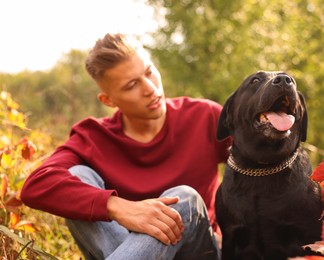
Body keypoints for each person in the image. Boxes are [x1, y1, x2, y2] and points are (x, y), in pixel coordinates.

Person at [20, 33, 231, 260]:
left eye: (149, 72)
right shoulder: (93, 136)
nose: (150, 88)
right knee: (78, 177)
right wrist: (118, 207)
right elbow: (35, 185)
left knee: (184, 199)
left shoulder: (205, 116)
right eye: (132, 85)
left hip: (200, 252)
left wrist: (237, 235)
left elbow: (263, 165)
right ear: (108, 101)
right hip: (124, 250)